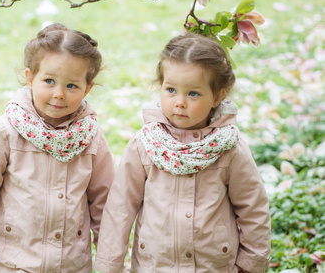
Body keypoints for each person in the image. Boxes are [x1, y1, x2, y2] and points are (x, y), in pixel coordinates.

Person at [94, 33, 271, 273]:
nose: (179, 102)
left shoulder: (229, 147)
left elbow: (253, 208)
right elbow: (120, 208)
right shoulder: (145, 144)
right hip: (155, 266)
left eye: (193, 93)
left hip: (212, 266)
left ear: (218, 96)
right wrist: (108, 266)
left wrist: (251, 264)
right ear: (160, 87)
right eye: (171, 90)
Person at [0, 23, 115, 272]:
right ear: (30, 77)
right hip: (11, 258)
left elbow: (104, 198)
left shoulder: (91, 136)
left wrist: (108, 251)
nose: (59, 94)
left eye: (71, 86)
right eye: (49, 81)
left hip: (68, 261)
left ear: (87, 88)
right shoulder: (8, 129)